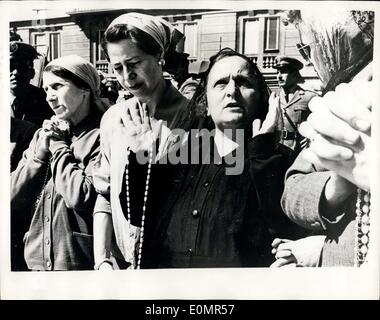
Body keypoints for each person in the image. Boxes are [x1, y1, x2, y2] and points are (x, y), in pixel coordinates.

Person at [140, 48, 307, 268]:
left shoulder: (278, 161)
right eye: (220, 83)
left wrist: (262, 153)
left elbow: (283, 229)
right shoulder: (180, 155)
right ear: (205, 104)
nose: (232, 91)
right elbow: (137, 212)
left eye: (243, 82)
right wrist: (140, 156)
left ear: (260, 98)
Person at [92, 12, 197, 270]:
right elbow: (105, 194)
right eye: (118, 68)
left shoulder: (193, 118)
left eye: (134, 63)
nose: (127, 76)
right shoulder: (112, 119)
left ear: (159, 56)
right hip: (121, 267)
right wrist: (102, 260)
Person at [271, 9, 373, 267]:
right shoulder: (335, 97)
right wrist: (334, 186)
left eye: (308, 48)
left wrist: (323, 253)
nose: (308, 61)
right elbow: (293, 189)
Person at [11, 55, 107, 271]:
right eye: (46, 90)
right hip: (37, 261)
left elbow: (83, 196)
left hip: (79, 262)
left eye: (57, 87)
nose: (50, 97)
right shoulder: (43, 135)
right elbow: (9, 195)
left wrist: (58, 147)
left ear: (85, 89)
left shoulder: (103, 135)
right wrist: (39, 157)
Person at [272, 56, 318, 154]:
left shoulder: (309, 97)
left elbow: (321, 124)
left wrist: (312, 137)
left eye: (283, 72)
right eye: (277, 72)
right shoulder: (274, 97)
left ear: (294, 74)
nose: (279, 76)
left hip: (299, 150)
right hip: (277, 149)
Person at [10, 41, 53, 126]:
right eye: (9, 68)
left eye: (22, 68)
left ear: (32, 73)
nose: (15, 72)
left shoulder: (47, 100)